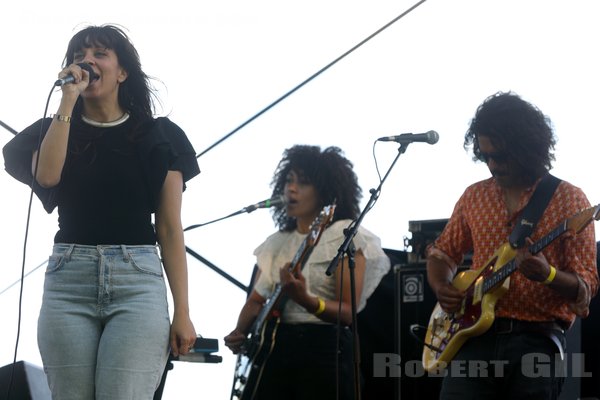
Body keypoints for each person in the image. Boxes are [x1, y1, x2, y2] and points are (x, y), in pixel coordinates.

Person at [2, 25, 200, 399]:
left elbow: (170, 228)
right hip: (69, 280)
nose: (87, 62)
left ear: (122, 72)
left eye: (99, 54)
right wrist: (67, 102)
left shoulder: (159, 136)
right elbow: (47, 176)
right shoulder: (54, 130)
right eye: (79, 56)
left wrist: (183, 311)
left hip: (137, 281)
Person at [426, 91, 598, 399]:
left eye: (501, 156)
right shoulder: (474, 196)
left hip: (535, 343)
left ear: (527, 149)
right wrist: (442, 286)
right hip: (472, 339)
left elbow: (585, 286)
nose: (492, 164)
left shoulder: (569, 199)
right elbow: (441, 253)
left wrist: (547, 274)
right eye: (485, 155)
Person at [224, 145, 390, 400]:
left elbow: (348, 312)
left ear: (325, 191)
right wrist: (240, 332)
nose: (291, 188)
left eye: (303, 183)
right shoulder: (277, 242)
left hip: (323, 352)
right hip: (274, 350)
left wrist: (306, 300)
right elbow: (257, 301)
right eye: (289, 180)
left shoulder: (344, 235)